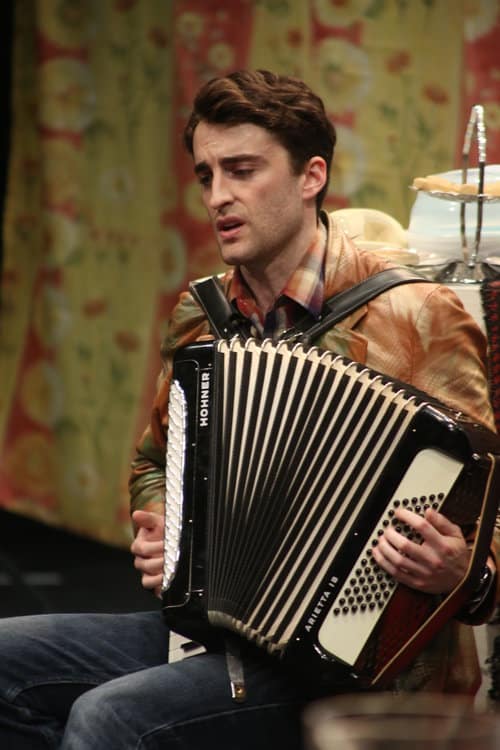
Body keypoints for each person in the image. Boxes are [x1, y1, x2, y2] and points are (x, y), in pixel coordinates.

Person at [0, 69, 498, 749]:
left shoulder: (416, 314)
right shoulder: (201, 314)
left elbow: (491, 508)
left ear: (311, 176)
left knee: (110, 717)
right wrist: (163, 523)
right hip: (216, 629)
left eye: (242, 170)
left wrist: (467, 572)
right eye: (206, 176)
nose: (218, 196)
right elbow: (153, 461)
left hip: (360, 667)